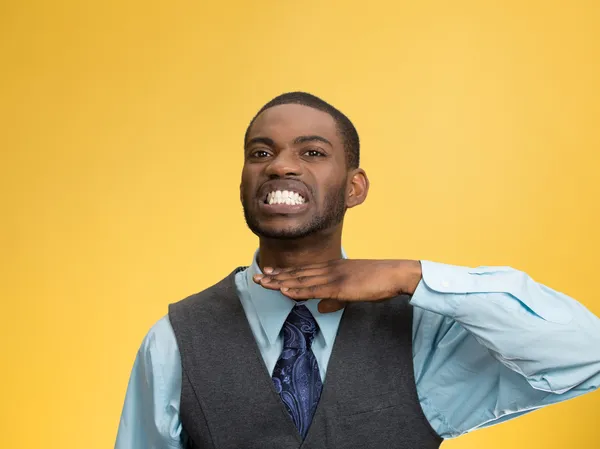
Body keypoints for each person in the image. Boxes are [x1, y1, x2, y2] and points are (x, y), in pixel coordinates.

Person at [115, 92, 600, 449]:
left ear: (355, 188)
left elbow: (586, 354)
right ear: (243, 182)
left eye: (312, 152)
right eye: (261, 153)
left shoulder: (419, 333)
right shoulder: (176, 339)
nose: (281, 166)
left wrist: (414, 276)